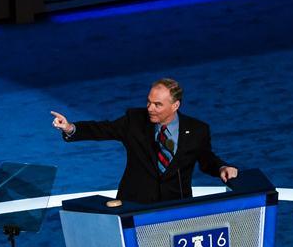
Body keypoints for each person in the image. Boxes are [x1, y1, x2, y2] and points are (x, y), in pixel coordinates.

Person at [51, 78, 237, 204]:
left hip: (176, 206)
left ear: (175, 105)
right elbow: (102, 129)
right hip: (135, 204)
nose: (150, 108)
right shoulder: (135, 121)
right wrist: (70, 128)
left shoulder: (197, 129)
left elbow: (206, 159)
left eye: (158, 105)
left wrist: (221, 167)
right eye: (149, 102)